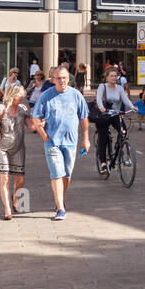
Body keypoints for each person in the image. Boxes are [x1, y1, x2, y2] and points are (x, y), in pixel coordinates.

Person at [27, 66, 90, 220]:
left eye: (64, 78)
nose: (61, 81)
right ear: (53, 79)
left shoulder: (76, 95)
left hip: (71, 141)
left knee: (66, 175)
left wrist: (86, 138)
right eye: (58, 78)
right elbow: (35, 116)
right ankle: (60, 208)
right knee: (57, 173)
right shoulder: (46, 96)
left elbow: (83, 117)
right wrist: (44, 135)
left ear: (68, 79)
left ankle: (60, 199)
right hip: (52, 141)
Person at [0, 84, 29, 219]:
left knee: (20, 180)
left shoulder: (22, 110)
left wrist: (40, 123)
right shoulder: (1, 108)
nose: (23, 95)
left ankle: (16, 199)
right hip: (2, 149)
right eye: (21, 94)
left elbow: (31, 126)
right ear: (14, 95)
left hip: (18, 148)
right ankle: (7, 209)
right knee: (5, 178)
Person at [94, 68, 136, 176]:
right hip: (103, 115)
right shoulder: (102, 87)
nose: (113, 78)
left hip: (115, 114)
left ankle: (119, 148)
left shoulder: (120, 88)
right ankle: (103, 163)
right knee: (103, 138)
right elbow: (98, 99)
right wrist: (102, 107)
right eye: (111, 76)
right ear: (107, 77)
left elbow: (125, 99)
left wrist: (132, 107)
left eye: (115, 76)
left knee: (123, 131)